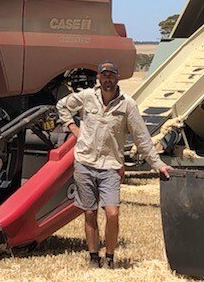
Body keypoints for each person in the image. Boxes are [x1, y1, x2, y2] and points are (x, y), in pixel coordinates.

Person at [56, 60, 172, 269]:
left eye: (111, 75)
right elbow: (62, 106)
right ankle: (93, 257)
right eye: (104, 75)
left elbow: (141, 137)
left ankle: (109, 256)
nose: (107, 79)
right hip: (85, 162)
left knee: (113, 213)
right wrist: (73, 128)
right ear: (98, 78)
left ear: (117, 78)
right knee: (89, 212)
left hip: (110, 165)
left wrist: (158, 164)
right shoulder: (87, 97)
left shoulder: (127, 104)